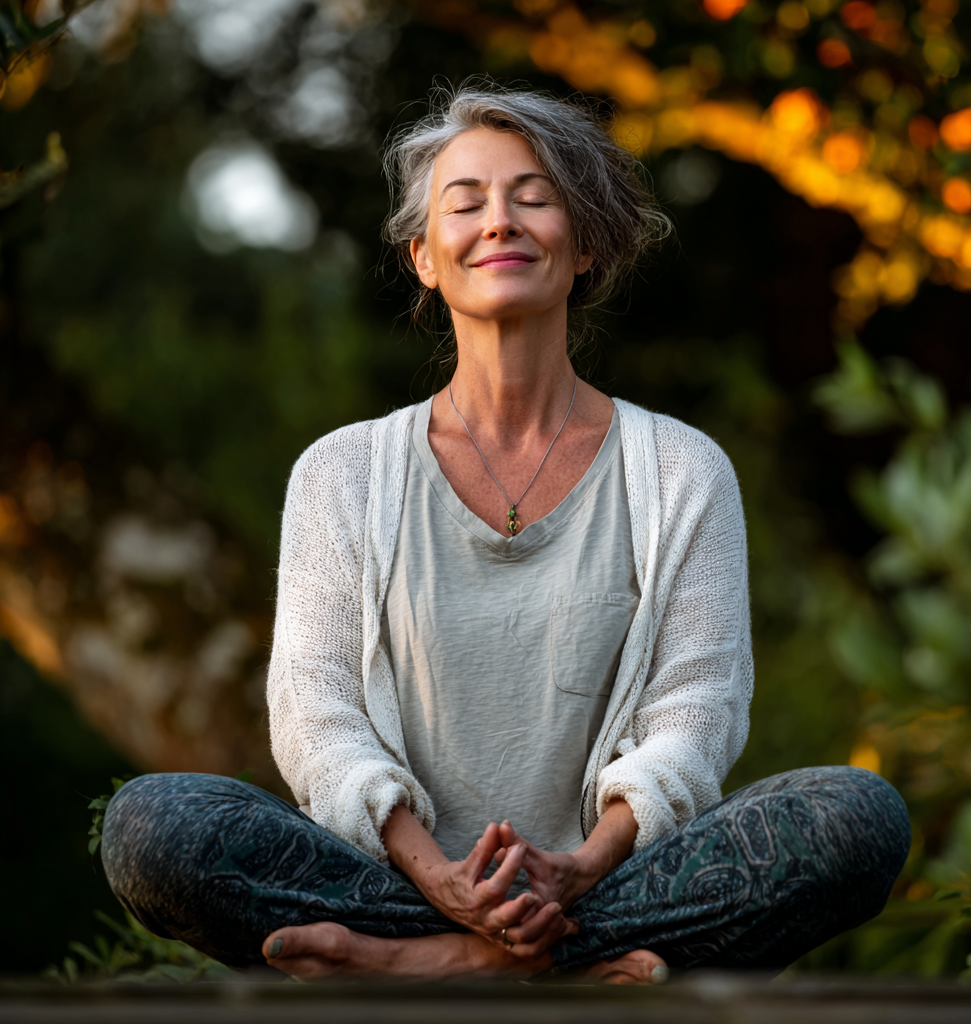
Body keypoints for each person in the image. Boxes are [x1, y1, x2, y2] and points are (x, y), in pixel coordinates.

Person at [101, 82, 911, 984]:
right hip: (395, 885)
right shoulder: (341, 473)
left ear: (588, 246)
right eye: (466, 201)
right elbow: (313, 713)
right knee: (151, 824)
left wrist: (578, 869)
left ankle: (435, 969)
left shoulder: (681, 470)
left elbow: (696, 715)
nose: (500, 221)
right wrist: (444, 883)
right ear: (422, 256)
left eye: (535, 197)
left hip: (613, 884)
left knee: (856, 817)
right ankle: (516, 963)